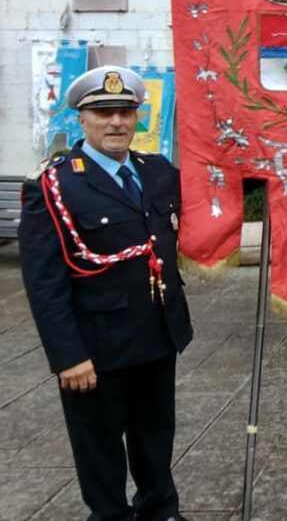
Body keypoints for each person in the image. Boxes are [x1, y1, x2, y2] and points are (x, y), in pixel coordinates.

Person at [18, 65, 193, 521]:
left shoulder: (157, 173)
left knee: (155, 436)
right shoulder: (55, 185)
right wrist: (67, 357)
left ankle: (161, 512)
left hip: (156, 335)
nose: (116, 122)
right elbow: (44, 283)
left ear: (138, 115)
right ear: (82, 118)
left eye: (125, 112)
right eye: (103, 113)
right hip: (95, 347)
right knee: (99, 450)